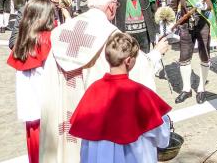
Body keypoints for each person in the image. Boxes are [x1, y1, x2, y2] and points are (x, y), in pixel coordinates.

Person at [38, 0, 169, 163]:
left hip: (80, 126)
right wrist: (156, 54)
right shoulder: (111, 36)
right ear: (111, 6)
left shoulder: (62, 31)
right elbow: (137, 70)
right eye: (116, 4)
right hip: (109, 139)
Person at [69, 32, 171, 162]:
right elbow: (161, 137)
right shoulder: (140, 93)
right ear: (129, 61)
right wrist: (166, 121)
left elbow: (86, 142)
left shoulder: (93, 90)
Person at [6, 0, 56, 163]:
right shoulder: (47, 38)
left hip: (29, 100)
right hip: (46, 99)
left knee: (34, 145)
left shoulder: (23, 37)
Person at [170, 0, 214, 104]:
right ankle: (186, 89)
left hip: (202, 23)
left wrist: (204, 5)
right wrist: (168, 18)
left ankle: (201, 88)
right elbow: (174, 2)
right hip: (185, 24)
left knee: (204, 54)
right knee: (184, 56)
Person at [9, 0, 73, 50]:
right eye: (55, 3)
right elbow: (14, 42)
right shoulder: (28, 10)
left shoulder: (64, 8)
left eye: (62, 2)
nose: (60, 6)